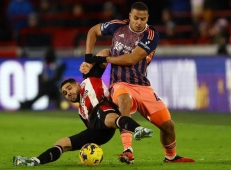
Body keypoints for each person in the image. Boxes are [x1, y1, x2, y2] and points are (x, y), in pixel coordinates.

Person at [82, 1, 195, 164]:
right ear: (130, 16)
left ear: (147, 18)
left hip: (143, 86)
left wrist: (103, 58)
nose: (139, 22)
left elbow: (132, 59)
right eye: (136, 18)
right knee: (124, 99)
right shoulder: (117, 26)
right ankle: (128, 150)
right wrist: (88, 58)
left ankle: (170, 157)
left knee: (168, 126)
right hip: (119, 83)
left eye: (142, 19)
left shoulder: (151, 35)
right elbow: (93, 31)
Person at [13, 50, 153, 166]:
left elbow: (106, 52)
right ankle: (35, 161)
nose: (68, 93)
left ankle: (139, 129)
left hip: (103, 110)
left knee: (107, 116)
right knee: (62, 143)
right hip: (95, 129)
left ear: (78, 85)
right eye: (65, 93)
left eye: (69, 88)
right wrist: (87, 151)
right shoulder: (81, 111)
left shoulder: (89, 79)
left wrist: (90, 62)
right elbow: (91, 130)